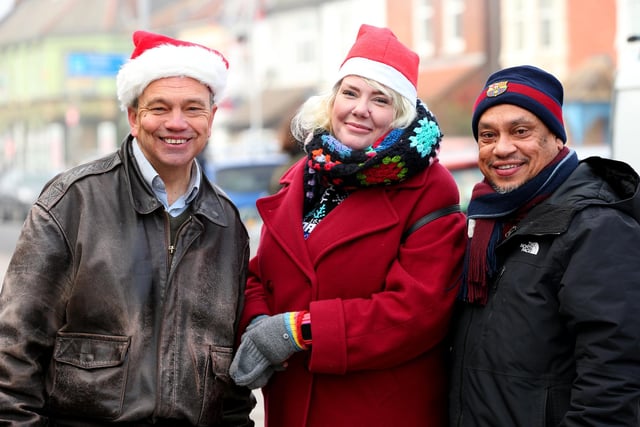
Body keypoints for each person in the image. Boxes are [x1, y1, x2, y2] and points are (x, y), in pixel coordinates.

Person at [0, 30, 255, 426]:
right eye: (159, 108)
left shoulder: (226, 223)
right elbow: (12, 351)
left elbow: (234, 389)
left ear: (211, 118)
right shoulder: (74, 201)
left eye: (192, 108)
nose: (177, 123)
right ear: (134, 117)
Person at [229, 24, 467, 426]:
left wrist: (299, 331)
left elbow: (416, 313)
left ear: (401, 115)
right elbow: (261, 274)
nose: (361, 108)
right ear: (333, 99)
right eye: (351, 93)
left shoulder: (429, 187)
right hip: (293, 403)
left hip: (377, 408)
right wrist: (257, 322)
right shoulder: (304, 173)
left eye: (380, 99)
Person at [448, 65, 640, 426]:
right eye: (487, 136)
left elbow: (613, 382)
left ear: (556, 138)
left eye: (520, 131)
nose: (502, 148)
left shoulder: (597, 228)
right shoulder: (489, 223)